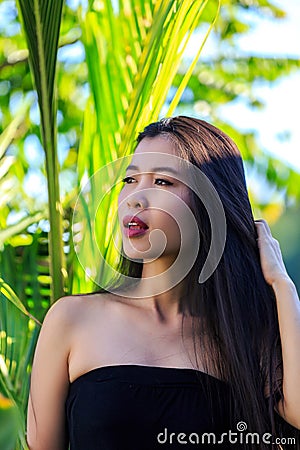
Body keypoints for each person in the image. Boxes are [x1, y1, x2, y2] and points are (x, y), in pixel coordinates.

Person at [26, 116, 300, 450]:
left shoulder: (242, 336)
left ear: (210, 203)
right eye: (130, 179)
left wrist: (282, 286)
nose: (135, 197)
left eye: (162, 182)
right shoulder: (72, 320)